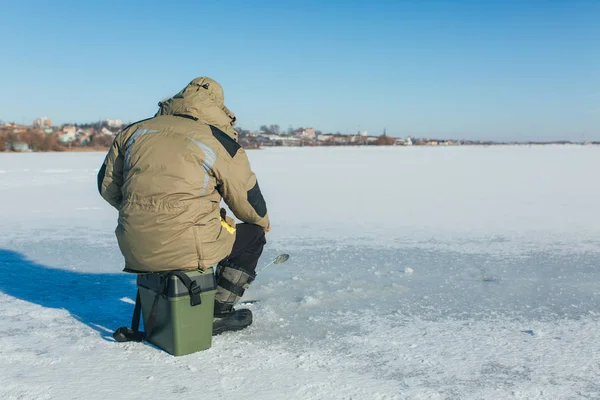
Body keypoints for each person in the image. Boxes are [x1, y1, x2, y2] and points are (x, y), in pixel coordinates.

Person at [97, 77, 270, 334]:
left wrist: (143, 212)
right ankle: (217, 312)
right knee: (252, 235)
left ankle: (179, 297)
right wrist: (263, 223)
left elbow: (106, 185)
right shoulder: (217, 139)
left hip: (135, 242)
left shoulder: (133, 131)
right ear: (218, 107)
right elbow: (246, 200)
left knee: (206, 231)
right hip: (190, 243)